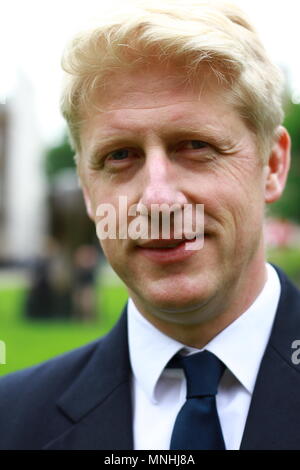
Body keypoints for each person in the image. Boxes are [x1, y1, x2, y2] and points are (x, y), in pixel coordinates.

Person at [0, 0, 299, 450]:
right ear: (85, 186)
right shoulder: (12, 420)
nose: (157, 198)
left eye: (196, 145)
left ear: (272, 166)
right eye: (119, 155)